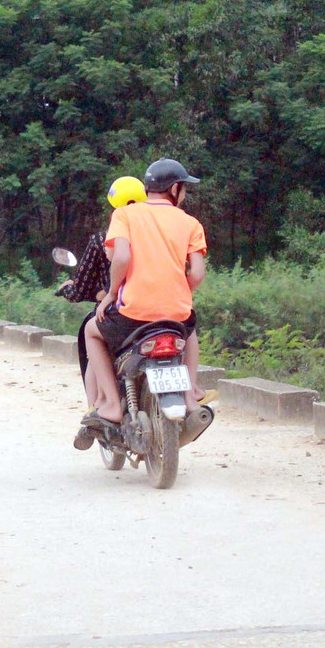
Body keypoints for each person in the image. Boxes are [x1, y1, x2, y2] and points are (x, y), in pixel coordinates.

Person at [75, 159, 208, 449]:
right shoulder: (190, 223)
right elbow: (197, 273)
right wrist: (178, 290)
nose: (184, 194)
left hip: (132, 313)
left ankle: (110, 404)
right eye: (184, 188)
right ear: (174, 188)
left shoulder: (125, 215)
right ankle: (189, 394)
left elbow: (120, 258)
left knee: (91, 332)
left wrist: (110, 294)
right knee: (190, 328)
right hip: (175, 314)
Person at [56, 176, 146, 411]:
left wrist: (69, 290)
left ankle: (96, 410)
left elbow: (82, 287)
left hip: (120, 310)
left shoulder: (102, 240)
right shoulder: (153, 236)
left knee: (92, 339)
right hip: (160, 309)